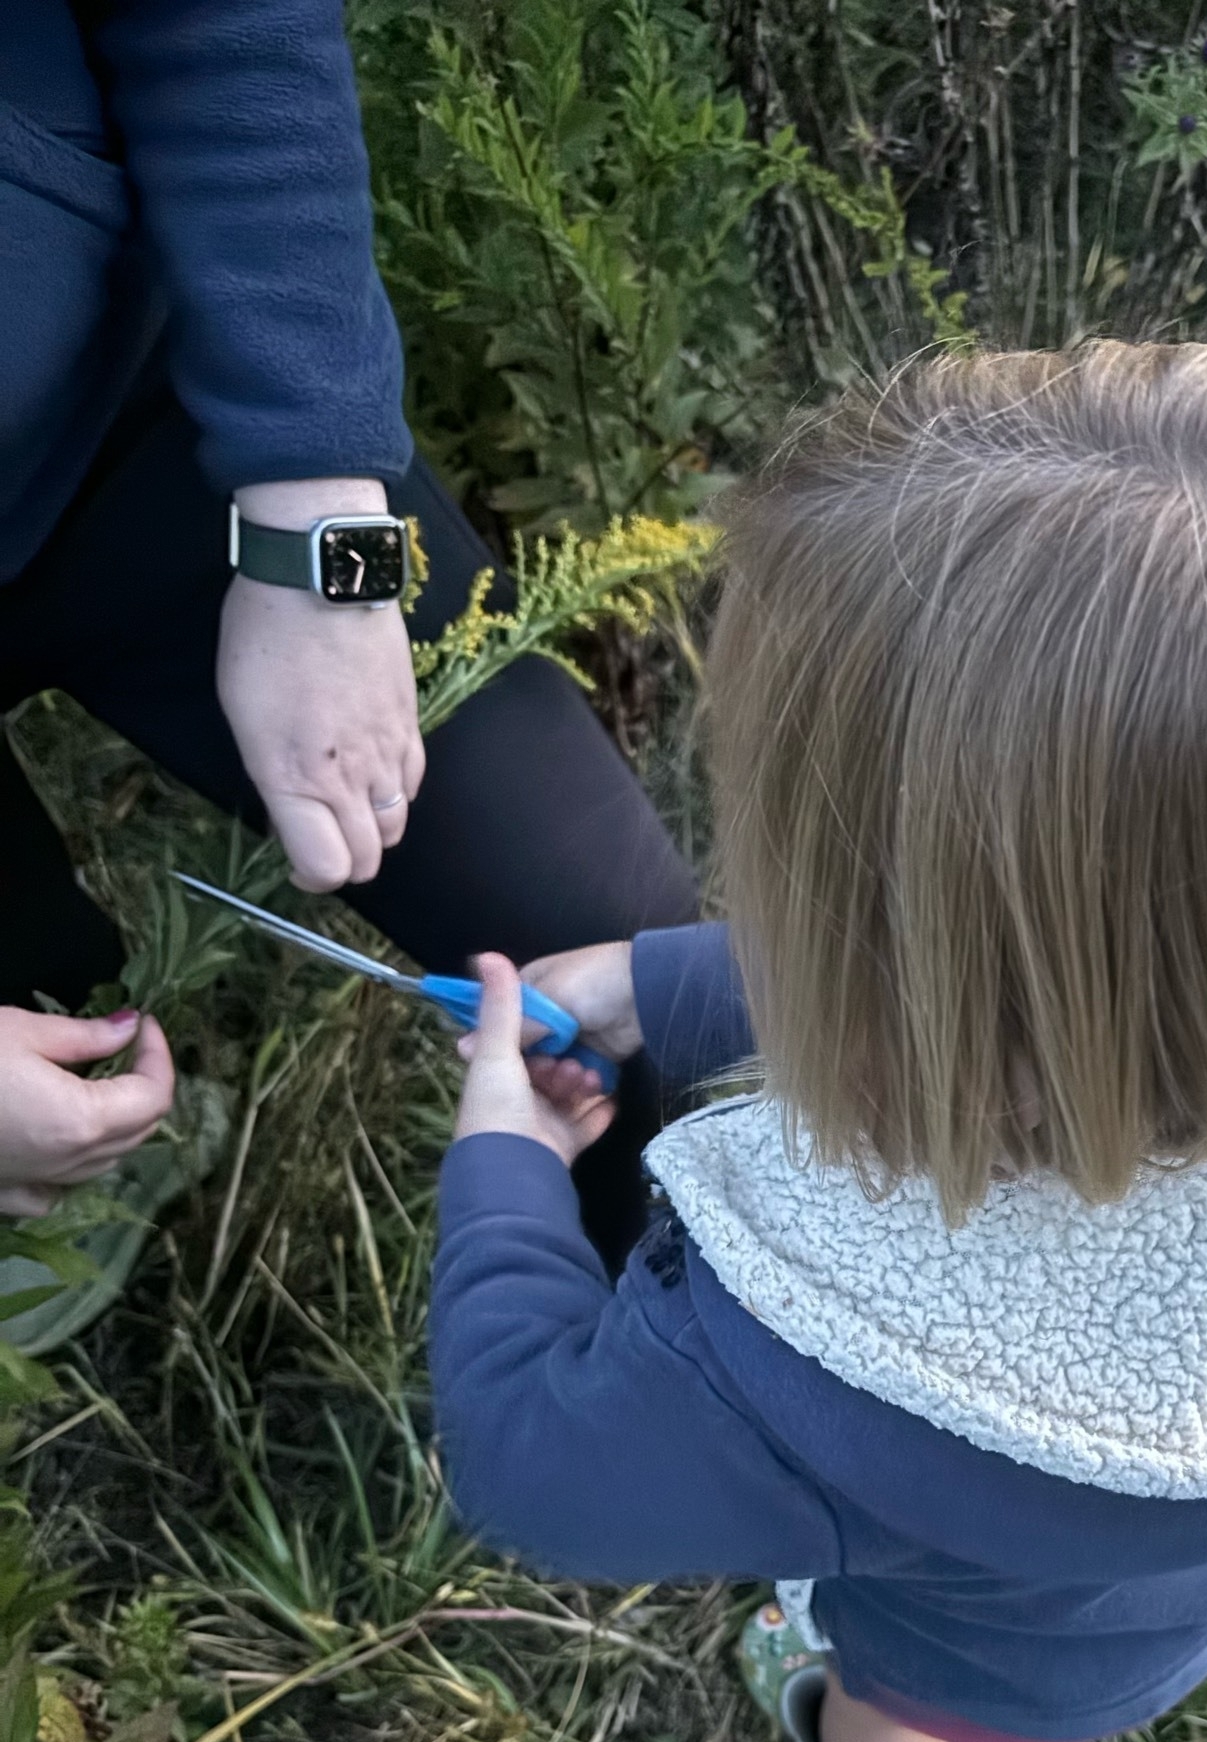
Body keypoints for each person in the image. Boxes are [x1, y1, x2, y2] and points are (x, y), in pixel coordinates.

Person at [429, 341, 1207, 1742]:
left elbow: (531, 1466)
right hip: (1157, 1610)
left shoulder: (815, 1361)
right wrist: (652, 986)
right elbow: (994, 994)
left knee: (892, 1726)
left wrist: (504, 1171)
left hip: (952, 1652)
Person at [0, 0, 697, 1265]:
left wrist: (322, 537)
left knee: (614, 941)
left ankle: (696, 1392)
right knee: (49, 1029)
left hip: (132, 410)